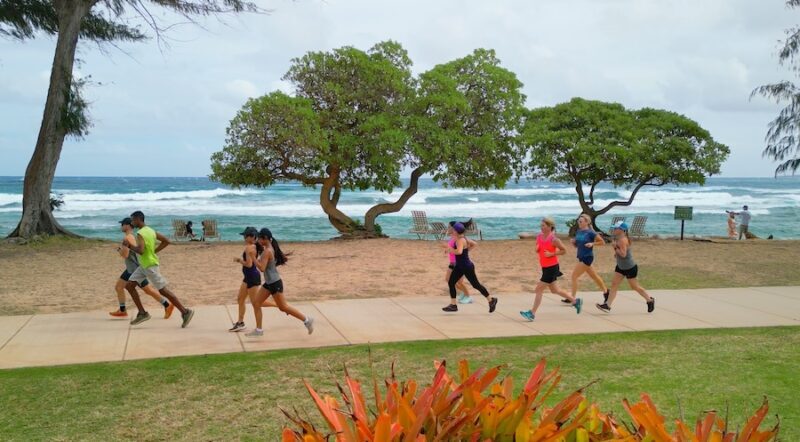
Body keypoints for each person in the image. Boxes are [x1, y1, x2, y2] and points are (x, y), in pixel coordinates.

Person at [123, 211, 195, 327]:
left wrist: (129, 246)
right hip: (144, 265)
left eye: (133, 220)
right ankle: (142, 313)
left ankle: (185, 312)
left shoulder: (140, 233)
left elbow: (141, 250)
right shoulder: (151, 230)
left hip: (150, 266)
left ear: (138, 219)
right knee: (129, 286)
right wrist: (154, 251)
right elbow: (166, 241)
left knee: (163, 290)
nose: (132, 222)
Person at [246, 228, 314, 337]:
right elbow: (264, 264)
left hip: (274, 283)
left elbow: (262, 268)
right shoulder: (267, 249)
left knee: (284, 307)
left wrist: (253, 257)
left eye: (260, 238)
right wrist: (256, 257)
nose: (258, 240)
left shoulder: (267, 251)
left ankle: (307, 320)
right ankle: (259, 330)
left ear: (266, 239)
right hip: (269, 282)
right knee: (256, 303)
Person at [110, 217, 174, 319]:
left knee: (147, 290)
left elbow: (125, 255)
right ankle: (122, 310)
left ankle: (167, 305)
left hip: (134, 269)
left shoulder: (128, 238)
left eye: (122, 224)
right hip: (131, 268)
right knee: (120, 287)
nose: (121, 226)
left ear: (127, 226)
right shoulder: (131, 236)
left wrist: (119, 249)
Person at [520, 217, 581, 321]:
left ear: (549, 227)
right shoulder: (539, 236)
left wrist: (552, 253)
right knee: (555, 290)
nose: (541, 227)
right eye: (541, 225)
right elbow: (538, 247)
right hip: (544, 267)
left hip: (552, 267)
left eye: (543, 225)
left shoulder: (554, 239)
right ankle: (575, 301)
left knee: (538, 289)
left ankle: (532, 313)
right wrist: (537, 248)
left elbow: (564, 251)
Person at [595, 221, 655, 313]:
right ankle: (607, 305)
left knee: (635, 287)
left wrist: (615, 248)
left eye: (616, 228)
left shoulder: (623, 240)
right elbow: (620, 253)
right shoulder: (619, 238)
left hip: (629, 268)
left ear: (622, 230)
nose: (614, 229)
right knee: (614, 285)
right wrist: (616, 252)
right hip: (620, 267)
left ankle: (650, 300)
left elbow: (623, 254)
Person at [439, 222, 497, 313]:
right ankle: (453, 305)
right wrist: (466, 251)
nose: (452, 231)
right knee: (451, 282)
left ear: (456, 231)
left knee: (476, 285)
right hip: (460, 266)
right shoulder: (462, 238)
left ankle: (491, 300)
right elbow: (473, 245)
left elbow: (459, 252)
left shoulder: (460, 240)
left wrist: (448, 248)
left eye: (453, 230)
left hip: (466, 266)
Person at [565, 214, 609, 304]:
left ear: (586, 222)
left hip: (587, 257)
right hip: (581, 256)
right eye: (578, 221)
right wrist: (573, 243)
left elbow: (602, 242)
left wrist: (592, 244)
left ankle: (572, 298)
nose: (579, 222)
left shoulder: (591, 233)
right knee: (594, 276)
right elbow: (577, 246)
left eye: (581, 221)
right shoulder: (579, 231)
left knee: (574, 276)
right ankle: (606, 292)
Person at [228, 227, 262, 332]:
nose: (243, 237)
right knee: (240, 299)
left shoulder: (249, 247)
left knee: (256, 303)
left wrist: (239, 260)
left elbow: (249, 264)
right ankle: (240, 322)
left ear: (251, 237)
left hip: (252, 277)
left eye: (245, 235)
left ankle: (280, 306)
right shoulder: (254, 246)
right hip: (248, 277)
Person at [445, 221, 473, 304]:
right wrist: (448, 249)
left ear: (454, 229)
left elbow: (474, 244)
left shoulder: (459, 238)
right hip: (452, 262)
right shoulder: (453, 237)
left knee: (459, 282)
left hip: (457, 263)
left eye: (449, 227)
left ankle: (468, 296)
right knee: (449, 280)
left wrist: (466, 252)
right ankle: (463, 294)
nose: (448, 228)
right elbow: (452, 248)